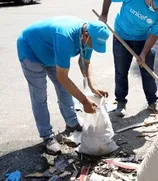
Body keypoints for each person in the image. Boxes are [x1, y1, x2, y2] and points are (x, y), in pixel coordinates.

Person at [17, 16, 111, 155]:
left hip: (51, 53)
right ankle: (47, 136)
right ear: (85, 35)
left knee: (65, 91)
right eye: (92, 44)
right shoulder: (65, 36)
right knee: (40, 96)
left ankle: (72, 123)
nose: (92, 47)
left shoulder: (89, 36)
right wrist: (84, 101)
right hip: (31, 52)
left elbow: (85, 62)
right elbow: (63, 77)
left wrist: (93, 86)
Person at [99, 0, 158, 117]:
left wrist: (144, 53)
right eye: (156, 6)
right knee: (121, 71)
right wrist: (104, 14)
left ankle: (152, 101)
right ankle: (120, 101)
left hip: (143, 39)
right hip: (121, 36)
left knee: (148, 71)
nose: (157, 9)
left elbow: (154, 33)